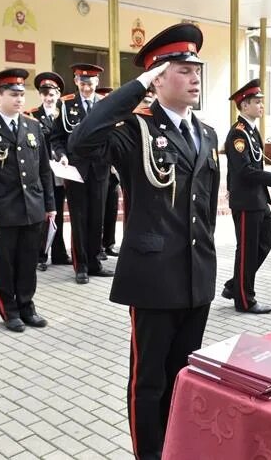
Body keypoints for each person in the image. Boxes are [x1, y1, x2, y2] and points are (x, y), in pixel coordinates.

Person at [68, 23, 220, 460]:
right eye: (183, 69)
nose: (195, 77)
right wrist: (135, 88)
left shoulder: (205, 133)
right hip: (154, 278)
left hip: (196, 276)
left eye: (197, 69)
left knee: (184, 375)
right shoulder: (134, 129)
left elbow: (205, 207)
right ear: (158, 77)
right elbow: (82, 141)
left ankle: (176, 447)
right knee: (149, 380)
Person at [0, 69, 56, 332]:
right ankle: (10, 310)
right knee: (5, 263)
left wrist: (50, 205)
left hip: (32, 207)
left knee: (28, 261)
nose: (19, 99)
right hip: (2, 210)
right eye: (13, 94)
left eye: (21, 94)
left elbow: (43, 169)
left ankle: (27, 305)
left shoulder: (32, 125)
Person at [220, 79, 271, 314]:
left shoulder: (250, 130)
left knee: (263, 244)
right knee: (247, 250)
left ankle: (235, 285)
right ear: (244, 105)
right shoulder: (237, 134)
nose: (262, 106)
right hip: (247, 201)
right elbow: (244, 170)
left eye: (261, 101)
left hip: (258, 200)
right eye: (257, 102)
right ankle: (245, 299)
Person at [51, 63, 114, 284]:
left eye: (91, 83)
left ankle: (95, 262)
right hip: (75, 169)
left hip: (99, 169)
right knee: (78, 218)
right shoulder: (66, 104)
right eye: (83, 83)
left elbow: (112, 136)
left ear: (97, 83)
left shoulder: (105, 104)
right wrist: (60, 155)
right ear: (76, 82)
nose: (87, 88)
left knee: (98, 217)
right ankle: (81, 266)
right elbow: (56, 137)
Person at [28, 72, 72, 271]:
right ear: (40, 95)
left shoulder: (64, 114)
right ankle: (40, 255)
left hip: (59, 171)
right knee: (44, 213)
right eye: (44, 93)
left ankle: (59, 253)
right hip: (40, 171)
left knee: (58, 212)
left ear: (59, 94)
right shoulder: (32, 116)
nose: (48, 97)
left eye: (52, 93)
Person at [96, 86, 121, 261]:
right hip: (101, 169)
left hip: (114, 172)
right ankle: (99, 247)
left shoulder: (117, 120)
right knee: (100, 212)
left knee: (112, 210)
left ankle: (109, 243)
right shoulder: (99, 121)